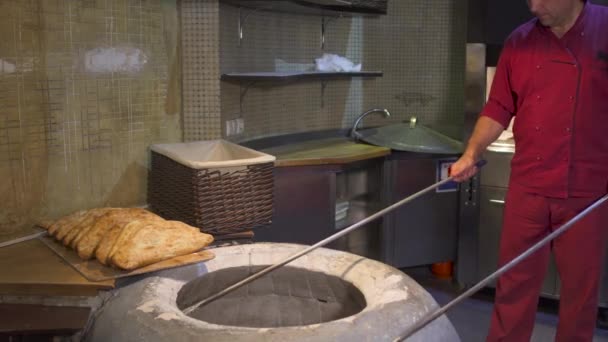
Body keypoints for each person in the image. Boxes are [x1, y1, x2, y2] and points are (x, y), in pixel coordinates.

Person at [450, 0, 608, 340]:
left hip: (586, 189)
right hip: (528, 186)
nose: (534, 7)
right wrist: (471, 153)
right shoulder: (520, 41)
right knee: (513, 284)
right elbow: (499, 106)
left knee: (580, 295)